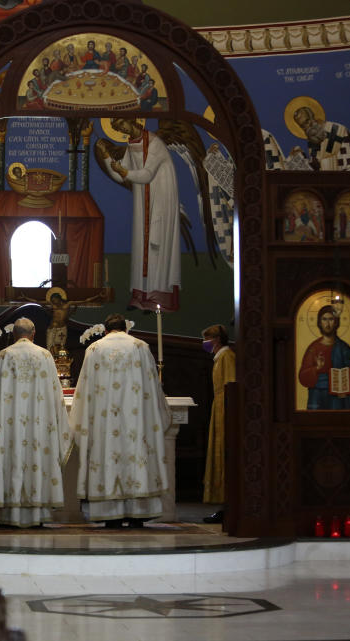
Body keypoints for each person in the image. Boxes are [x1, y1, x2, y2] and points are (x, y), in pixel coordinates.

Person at [0, 318, 71, 528]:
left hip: (10, 426)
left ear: (14, 335)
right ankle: (37, 514)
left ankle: (9, 515)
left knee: (9, 456)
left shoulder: (3, 356)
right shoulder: (45, 355)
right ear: (33, 334)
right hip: (39, 425)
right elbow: (55, 396)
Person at [68, 313, 170, 527]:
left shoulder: (94, 349)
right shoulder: (140, 347)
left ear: (105, 331)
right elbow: (153, 389)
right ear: (126, 329)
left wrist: (80, 422)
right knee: (136, 457)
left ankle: (110, 516)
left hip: (105, 423)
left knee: (107, 458)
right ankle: (137, 515)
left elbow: (84, 391)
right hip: (136, 421)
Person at [97, 118, 181, 311]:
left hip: (160, 199)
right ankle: (140, 295)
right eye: (117, 127)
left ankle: (158, 297)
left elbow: (146, 174)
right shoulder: (131, 145)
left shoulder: (154, 143)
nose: (121, 128)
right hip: (143, 199)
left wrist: (124, 170)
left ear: (133, 121)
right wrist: (107, 158)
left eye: (122, 124)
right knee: (141, 245)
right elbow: (120, 175)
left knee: (157, 245)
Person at [200, 324, 235, 524]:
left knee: (224, 454)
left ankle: (227, 505)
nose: (205, 343)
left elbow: (230, 384)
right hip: (219, 406)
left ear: (216, 340)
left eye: (207, 339)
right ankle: (222, 505)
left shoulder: (227, 356)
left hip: (225, 408)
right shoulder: (220, 357)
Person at [298, 304, 350, 410]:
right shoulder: (313, 348)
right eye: (324, 319)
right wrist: (316, 368)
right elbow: (302, 376)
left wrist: (346, 391)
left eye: (331, 319)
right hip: (316, 395)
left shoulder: (344, 348)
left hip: (338, 397)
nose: (327, 323)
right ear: (319, 322)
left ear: (336, 322)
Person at [292, 106, 350, 171]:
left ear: (312, 116)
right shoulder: (312, 140)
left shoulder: (338, 131)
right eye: (303, 126)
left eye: (307, 121)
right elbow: (316, 167)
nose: (308, 126)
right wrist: (301, 158)